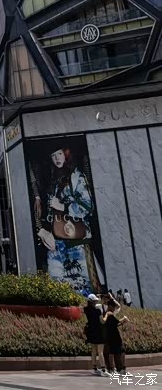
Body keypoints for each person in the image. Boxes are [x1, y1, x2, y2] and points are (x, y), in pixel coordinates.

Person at [32, 144, 102, 294]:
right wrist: (43, 231)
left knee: (83, 287)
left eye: (59, 154)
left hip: (76, 242)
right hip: (56, 243)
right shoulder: (52, 180)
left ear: (66, 154)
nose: (56, 158)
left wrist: (64, 207)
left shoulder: (77, 178)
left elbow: (88, 206)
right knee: (57, 288)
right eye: (53, 156)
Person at [103, 295, 129, 376]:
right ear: (110, 306)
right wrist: (124, 319)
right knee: (115, 352)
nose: (114, 308)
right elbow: (116, 322)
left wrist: (122, 323)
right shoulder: (109, 314)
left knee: (117, 352)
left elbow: (115, 324)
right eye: (113, 307)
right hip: (113, 336)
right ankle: (114, 369)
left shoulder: (108, 313)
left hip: (112, 335)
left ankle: (117, 369)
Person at [83, 293, 105, 375]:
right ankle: (103, 369)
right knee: (100, 352)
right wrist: (106, 315)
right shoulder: (97, 311)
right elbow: (102, 321)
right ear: (92, 302)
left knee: (94, 352)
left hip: (91, 331)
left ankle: (95, 369)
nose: (96, 302)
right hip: (98, 331)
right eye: (95, 301)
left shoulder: (86, 310)